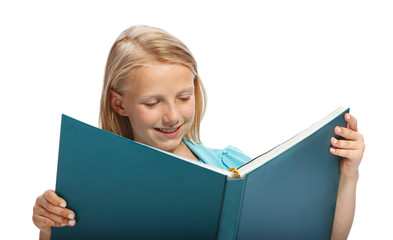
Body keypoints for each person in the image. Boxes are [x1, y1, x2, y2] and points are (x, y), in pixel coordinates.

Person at [32, 25, 365, 240]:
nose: (173, 115)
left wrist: (348, 175)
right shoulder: (92, 188)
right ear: (120, 104)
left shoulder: (234, 169)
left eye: (183, 97)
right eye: (152, 102)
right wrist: (48, 227)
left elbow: (326, 238)